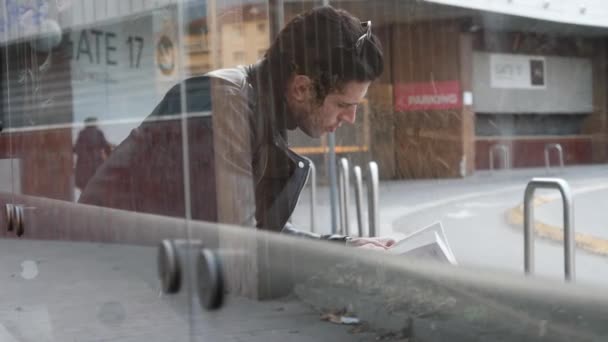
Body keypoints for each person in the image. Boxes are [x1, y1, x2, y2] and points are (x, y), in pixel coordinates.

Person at [79, 6, 393, 250]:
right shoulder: (225, 108)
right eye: (343, 105)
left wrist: (344, 246)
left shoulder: (261, 109)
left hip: (136, 280)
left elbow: (254, 233)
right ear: (302, 88)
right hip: (105, 286)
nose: (350, 118)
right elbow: (238, 252)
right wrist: (340, 258)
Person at [73, 117, 112, 192]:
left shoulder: (82, 133)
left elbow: (76, 149)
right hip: (95, 162)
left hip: (84, 164)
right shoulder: (98, 133)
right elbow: (106, 146)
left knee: (85, 188)